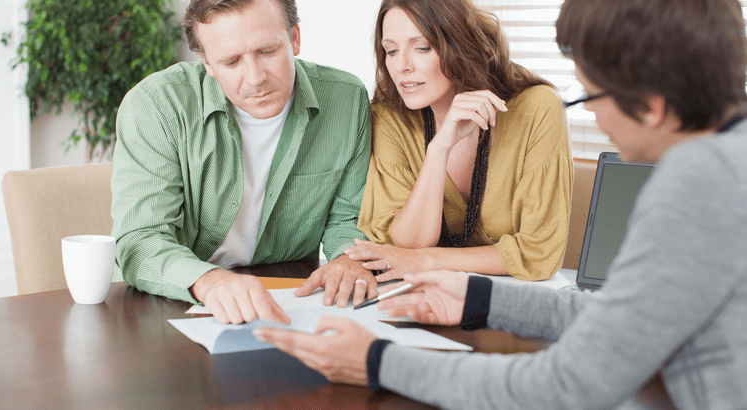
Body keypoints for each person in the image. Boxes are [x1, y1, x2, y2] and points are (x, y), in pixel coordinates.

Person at [253, 0, 747, 408]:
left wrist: (377, 361)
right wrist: (478, 298)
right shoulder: (729, 161)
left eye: (591, 94)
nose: (591, 113)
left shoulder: (697, 185)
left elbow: (568, 384)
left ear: (652, 106)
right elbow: (622, 319)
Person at [111, 0, 376, 325]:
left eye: (267, 51)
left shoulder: (347, 99)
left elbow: (347, 218)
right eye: (231, 61)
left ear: (294, 38)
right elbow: (141, 240)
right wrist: (209, 281)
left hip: (288, 304)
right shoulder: (157, 106)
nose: (255, 78)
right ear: (206, 61)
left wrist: (348, 258)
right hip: (170, 306)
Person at [344, 0, 572, 282]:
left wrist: (429, 260)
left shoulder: (537, 109)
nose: (401, 66)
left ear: (460, 45)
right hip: (422, 291)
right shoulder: (391, 116)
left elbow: (539, 253)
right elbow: (403, 247)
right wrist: (439, 149)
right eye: (391, 51)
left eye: (422, 48)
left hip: (512, 295)